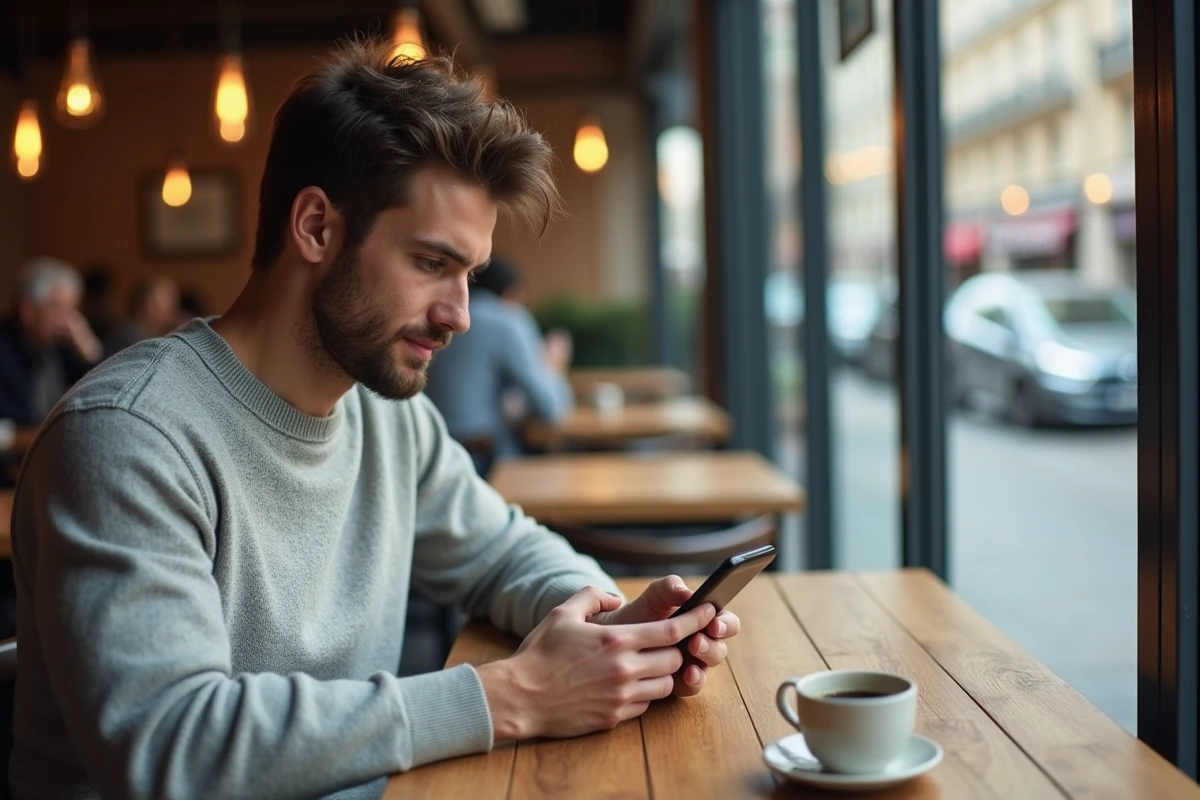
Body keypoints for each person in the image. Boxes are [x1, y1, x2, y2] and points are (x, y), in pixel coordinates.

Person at [10, 41, 740, 800]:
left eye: (471, 274)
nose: (459, 315)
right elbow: (169, 744)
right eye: (431, 263)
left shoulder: (390, 421)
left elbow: (502, 550)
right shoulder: (127, 437)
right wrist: (510, 697)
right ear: (317, 228)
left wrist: (612, 628)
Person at [424, 254, 574, 469]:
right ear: (510, 293)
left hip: (426, 452)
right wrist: (552, 364)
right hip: (481, 461)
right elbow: (551, 409)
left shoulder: (436, 315)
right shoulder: (506, 320)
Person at [0, 257, 103, 426]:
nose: (68, 322)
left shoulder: (64, 345)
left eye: (72, 310)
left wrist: (90, 353)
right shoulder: (4, 347)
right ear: (28, 311)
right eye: (58, 309)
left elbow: (100, 398)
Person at [102, 275, 181, 355]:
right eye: (167, 295)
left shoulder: (165, 335)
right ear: (144, 303)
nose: (173, 303)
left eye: (174, 296)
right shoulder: (124, 338)